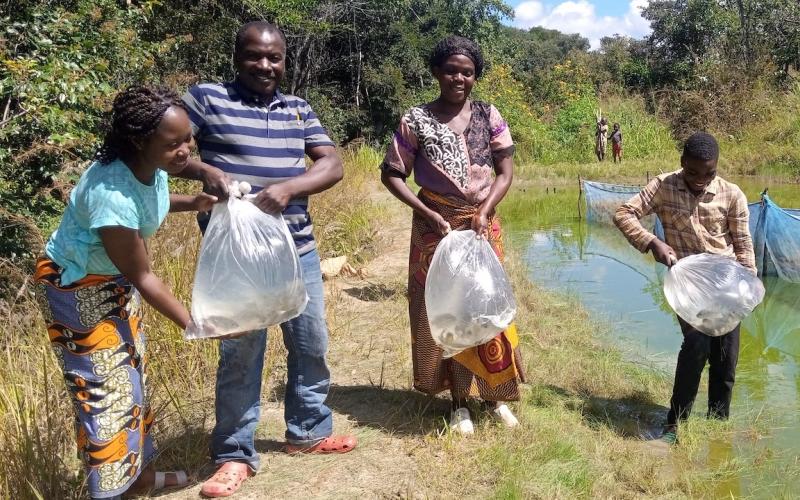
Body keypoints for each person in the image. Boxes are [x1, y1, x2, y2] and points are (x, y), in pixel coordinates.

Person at [178, 21, 356, 497]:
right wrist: (204, 169)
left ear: (284, 60)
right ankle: (234, 454)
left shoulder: (298, 108)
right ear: (237, 56)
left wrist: (289, 188)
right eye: (255, 56)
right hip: (237, 260)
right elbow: (164, 147)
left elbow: (332, 163)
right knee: (241, 353)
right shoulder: (207, 99)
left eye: (274, 58)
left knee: (311, 343)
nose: (265, 66)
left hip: (297, 248)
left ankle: (308, 432)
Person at [35, 86, 217, 499]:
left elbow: (150, 201)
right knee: (107, 393)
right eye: (173, 144)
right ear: (139, 141)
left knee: (133, 377)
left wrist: (195, 202)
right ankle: (111, 492)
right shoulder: (109, 195)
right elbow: (145, 276)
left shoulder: (144, 167)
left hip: (111, 282)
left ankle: (138, 478)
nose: (186, 150)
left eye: (188, 138)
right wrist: (196, 324)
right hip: (75, 288)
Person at [379, 35, 525, 435]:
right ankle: (458, 403)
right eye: (450, 70)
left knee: (488, 306)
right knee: (446, 311)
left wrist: (483, 210)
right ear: (436, 73)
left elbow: (506, 172)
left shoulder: (488, 114)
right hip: (435, 227)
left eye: (467, 72)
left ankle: (494, 396)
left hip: (481, 225)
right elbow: (392, 173)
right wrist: (427, 212)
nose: (459, 78)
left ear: (475, 76)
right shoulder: (417, 120)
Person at [613, 132, 756, 445]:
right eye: (693, 172)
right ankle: (674, 425)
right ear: (682, 164)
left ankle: (718, 425)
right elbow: (624, 213)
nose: (701, 180)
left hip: (726, 286)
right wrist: (652, 241)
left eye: (709, 173)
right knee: (696, 346)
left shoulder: (731, 194)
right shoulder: (663, 186)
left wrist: (748, 287)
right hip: (688, 286)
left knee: (725, 357)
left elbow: (743, 245)